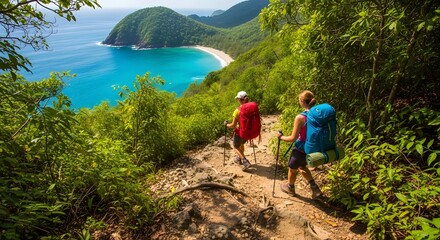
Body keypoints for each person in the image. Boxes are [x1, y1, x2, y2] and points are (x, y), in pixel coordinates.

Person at [277, 90, 323, 199]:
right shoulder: (319, 115)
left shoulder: (300, 117)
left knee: (292, 168)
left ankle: (290, 188)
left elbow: (292, 138)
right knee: (302, 166)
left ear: (302, 101)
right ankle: (315, 188)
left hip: (301, 149)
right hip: (315, 147)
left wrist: (281, 137)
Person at [224, 91, 252, 171]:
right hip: (248, 132)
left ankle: (244, 161)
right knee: (241, 144)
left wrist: (226, 125)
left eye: (238, 99)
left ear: (239, 100)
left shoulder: (237, 111)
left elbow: (233, 125)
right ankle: (239, 159)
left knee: (236, 146)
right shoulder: (250, 108)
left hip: (240, 132)